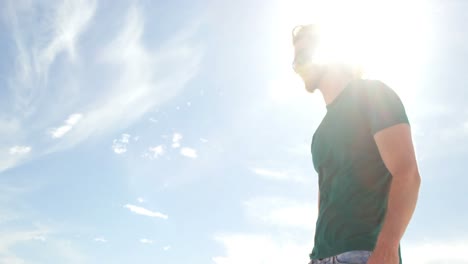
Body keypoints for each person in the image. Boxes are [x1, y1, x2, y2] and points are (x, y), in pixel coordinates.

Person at [291, 24, 421, 264]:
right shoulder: (320, 133)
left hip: (364, 253)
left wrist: (387, 247)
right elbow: (326, 197)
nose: (297, 66)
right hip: (322, 257)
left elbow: (407, 173)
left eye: (302, 55)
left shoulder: (372, 95)